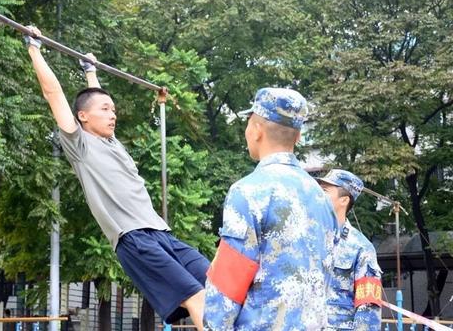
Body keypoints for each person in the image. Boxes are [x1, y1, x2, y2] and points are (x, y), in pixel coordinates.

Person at [24, 27, 210, 330]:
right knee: (196, 297)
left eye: (114, 110)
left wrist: (91, 71)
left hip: (161, 233)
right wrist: (35, 48)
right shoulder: (79, 145)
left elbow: (97, 98)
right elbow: (54, 94)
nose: (113, 115)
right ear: (83, 117)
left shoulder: (113, 143)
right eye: (105, 111)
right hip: (133, 238)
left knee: (217, 281)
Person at [203, 87, 339, 330]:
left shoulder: (248, 192)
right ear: (297, 137)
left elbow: (227, 285)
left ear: (256, 130)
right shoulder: (322, 199)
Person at [317, 169, 383, 330]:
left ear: (344, 200)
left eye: (324, 191)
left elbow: (368, 308)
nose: (317, 195)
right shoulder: (306, 238)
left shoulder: (361, 248)